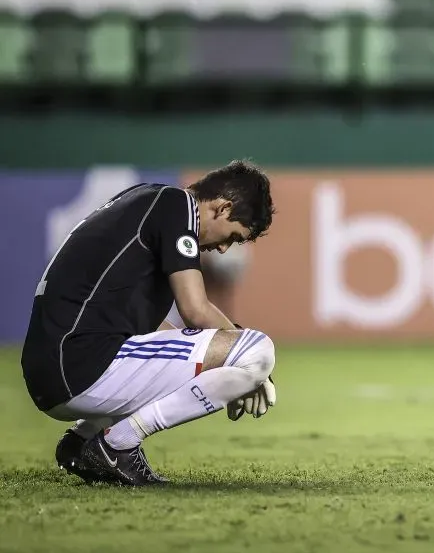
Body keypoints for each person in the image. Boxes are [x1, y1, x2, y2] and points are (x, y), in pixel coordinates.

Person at [20, 159, 278, 487]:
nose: (223, 248)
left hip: (53, 370)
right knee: (258, 350)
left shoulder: (146, 202)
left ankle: (83, 439)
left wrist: (229, 366)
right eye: (233, 237)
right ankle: (118, 444)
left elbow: (155, 333)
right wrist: (250, 362)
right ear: (222, 207)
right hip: (79, 364)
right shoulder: (178, 206)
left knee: (222, 351)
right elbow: (196, 311)